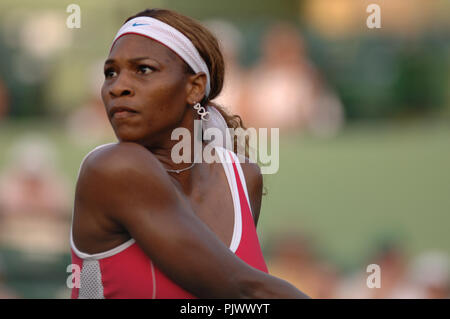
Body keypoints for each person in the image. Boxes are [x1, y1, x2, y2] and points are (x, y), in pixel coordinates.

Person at [70, 8, 309, 299]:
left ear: (194, 88)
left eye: (143, 69)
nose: (117, 87)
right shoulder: (112, 168)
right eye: (110, 73)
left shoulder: (243, 178)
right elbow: (241, 288)